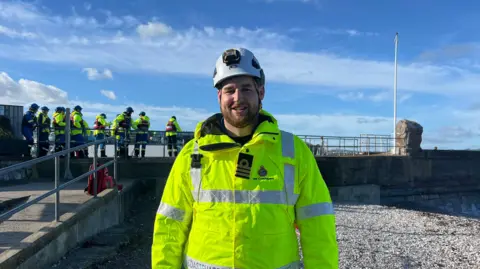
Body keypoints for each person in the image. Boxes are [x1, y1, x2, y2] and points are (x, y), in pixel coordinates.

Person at [151, 48, 338, 268]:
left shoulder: (294, 152)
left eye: (246, 89)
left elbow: (318, 227)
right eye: (229, 90)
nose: (238, 98)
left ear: (261, 92)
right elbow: (169, 226)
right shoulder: (192, 155)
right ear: (219, 96)